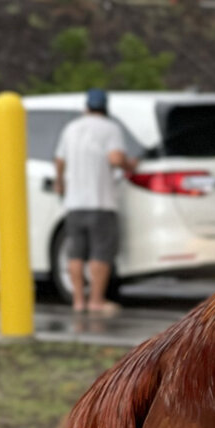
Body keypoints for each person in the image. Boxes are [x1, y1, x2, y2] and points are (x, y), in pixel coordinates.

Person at [54, 88, 135, 314]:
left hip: (74, 203)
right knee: (100, 252)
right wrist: (131, 165)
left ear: (86, 106)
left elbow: (59, 160)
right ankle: (96, 300)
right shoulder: (110, 128)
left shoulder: (71, 128)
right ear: (105, 107)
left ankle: (78, 301)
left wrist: (60, 183)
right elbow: (116, 158)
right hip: (101, 201)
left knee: (76, 253)